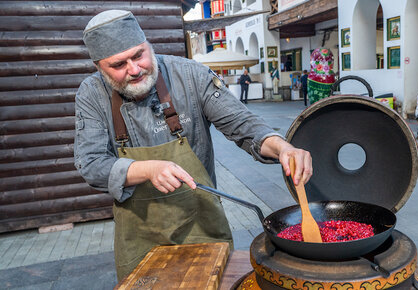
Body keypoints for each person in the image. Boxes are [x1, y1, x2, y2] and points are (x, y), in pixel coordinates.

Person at [75, 10, 312, 281]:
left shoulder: (190, 75)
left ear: (149, 46)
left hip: (202, 226)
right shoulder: (91, 94)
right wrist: (147, 169)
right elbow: (91, 163)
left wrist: (283, 147)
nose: (134, 69)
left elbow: (244, 125)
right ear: (98, 66)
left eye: (139, 55)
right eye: (118, 65)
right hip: (139, 237)